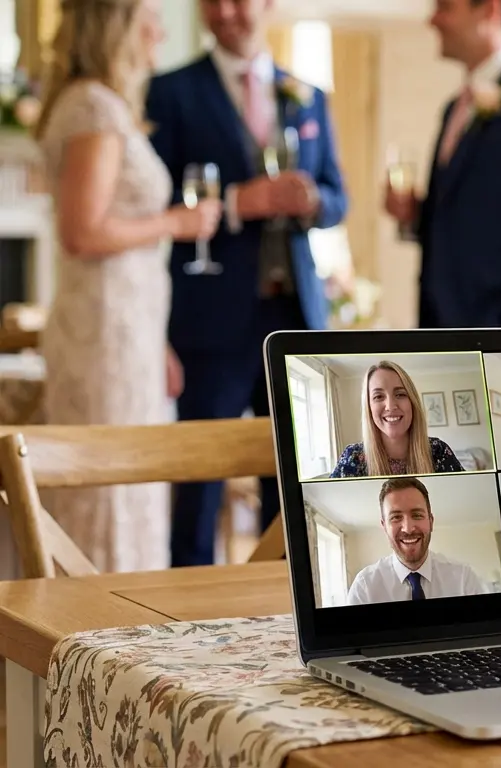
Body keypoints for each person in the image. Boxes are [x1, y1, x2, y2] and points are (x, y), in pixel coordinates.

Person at [146, 0, 349, 566]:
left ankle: (277, 603)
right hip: (209, 319)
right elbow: (151, 200)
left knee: (286, 479)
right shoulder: (170, 91)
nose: (226, 12)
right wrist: (238, 202)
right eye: (212, 2)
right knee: (200, 478)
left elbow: (339, 196)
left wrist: (314, 202)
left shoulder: (307, 94)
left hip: (294, 319)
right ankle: (182, 612)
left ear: (268, 6)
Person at [32, 0, 222, 572]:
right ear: (119, 27)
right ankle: (99, 633)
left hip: (123, 329)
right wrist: (178, 222)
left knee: (129, 487)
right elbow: (82, 232)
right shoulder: (94, 107)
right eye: (151, 17)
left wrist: (156, 342)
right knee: (110, 487)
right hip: (105, 338)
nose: (162, 30)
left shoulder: (98, 103)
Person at [384, 0, 501, 329]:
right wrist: (416, 215)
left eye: (446, 7)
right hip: (442, 332)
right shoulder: (453, 109)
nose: (433, 20)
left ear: (489, 11)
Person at [346, 477, 489, 604]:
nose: (408, 529)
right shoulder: (364, 587)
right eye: (396, 517)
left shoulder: (464, 579)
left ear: (431, 522)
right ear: (384, 527)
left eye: (417, 515)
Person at [330, 361, 465, 478]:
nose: (390, 406)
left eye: (400, 394)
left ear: (412, 402)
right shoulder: (352, 457)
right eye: (378, 397)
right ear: (369, 407)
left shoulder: (438, 451)